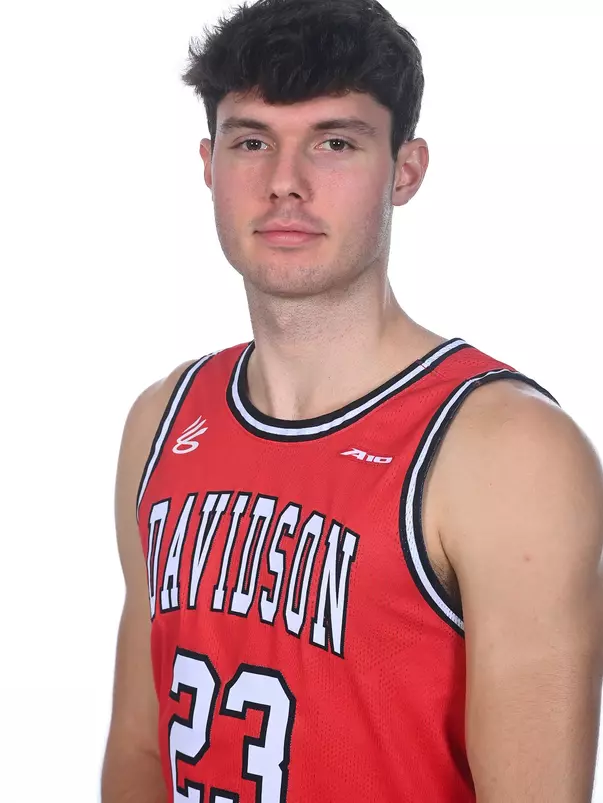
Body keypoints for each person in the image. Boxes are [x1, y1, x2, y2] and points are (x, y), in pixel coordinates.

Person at [101, 1, 603, 801]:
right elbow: (138, 749)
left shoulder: (506, 451)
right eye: (251, 141)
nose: (284, 183)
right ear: (208, 164)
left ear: (405, 170)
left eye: (334, 143)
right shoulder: (162, 418)